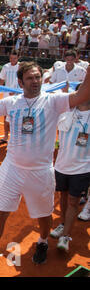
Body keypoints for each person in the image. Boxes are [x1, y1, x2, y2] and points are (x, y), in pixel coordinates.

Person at [0, 62, 90, 277]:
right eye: (30, 78)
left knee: (43, 215)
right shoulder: (11, 102)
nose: (35, 82)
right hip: (12, 169)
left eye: (37, 77)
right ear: (20, 82)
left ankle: (43, 241)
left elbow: (81, 96)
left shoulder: (53, 101)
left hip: (41, 171)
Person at [49, 88, 89, 252]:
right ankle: (63, 224)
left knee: (73, 201)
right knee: (63, 198)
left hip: (82, 168)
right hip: (62, 165)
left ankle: (65, 236)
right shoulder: (65, 111)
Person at [0, 50, 20, 144]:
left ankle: (15, 138)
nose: (12, 60)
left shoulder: (21, 67)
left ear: (18, 58)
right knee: (6, 116)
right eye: (11, 58)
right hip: (7, 95)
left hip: (18, 95)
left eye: (14, 58)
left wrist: (15, 91)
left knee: (17, 116)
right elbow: (1, 80)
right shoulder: (6, 67)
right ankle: (6, 136)